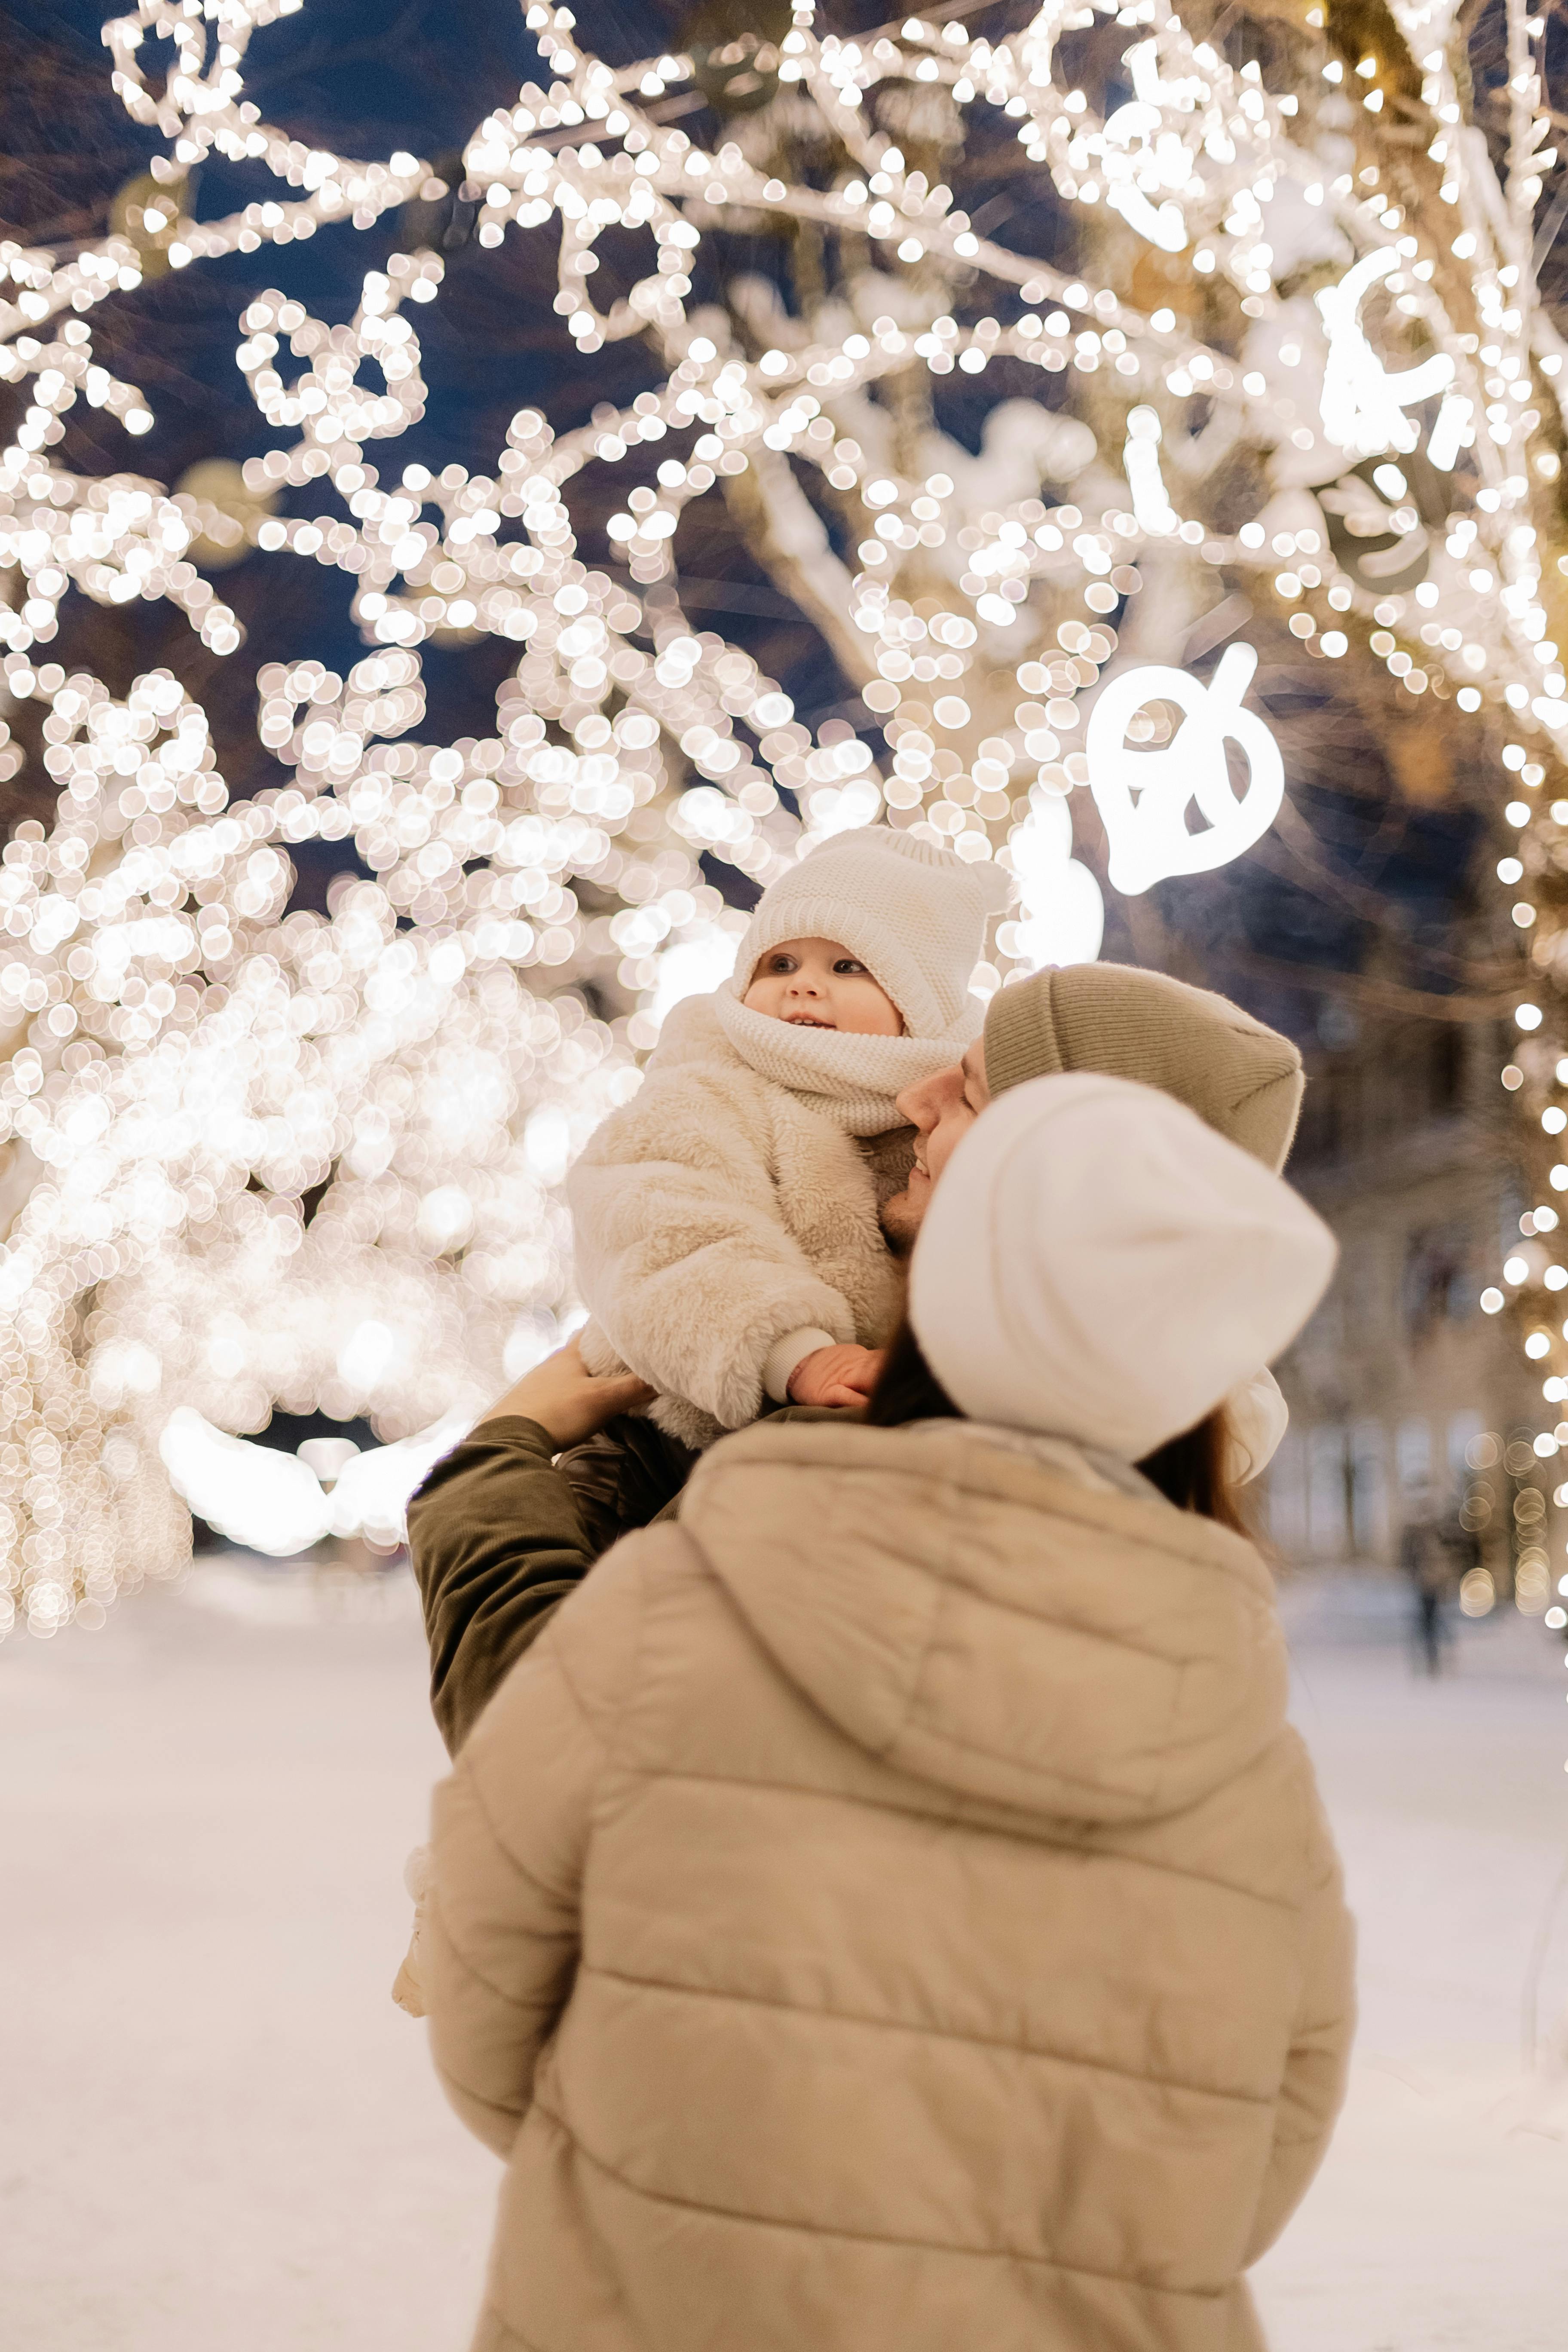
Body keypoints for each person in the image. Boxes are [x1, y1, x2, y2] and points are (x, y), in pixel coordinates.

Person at [421, 1073, 1353, 2352]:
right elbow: (1257, 2165)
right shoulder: (1249, 1765)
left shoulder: (675, 1608)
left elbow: (485, 2003)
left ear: (949, 1295)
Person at [410, 959, 1305, 1756]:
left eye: (967, 1095)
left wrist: (494, 1458)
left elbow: (539, 1736)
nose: (913, 1099)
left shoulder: (869, 1469)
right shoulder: (1162, 1536)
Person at [568, 825, 999, 1448]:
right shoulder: (708, 1089)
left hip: (855, 1430)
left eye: (847, 966)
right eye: (781, 964)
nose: (802, 985)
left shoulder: (944, 1110)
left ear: (921, 1003)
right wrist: (796, 1354)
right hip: (666, 1433)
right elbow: (663, 1232)